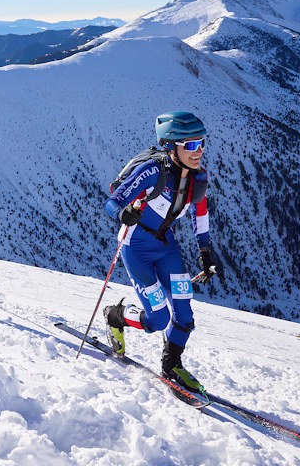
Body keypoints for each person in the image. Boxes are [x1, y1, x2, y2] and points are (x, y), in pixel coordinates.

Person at [101, 111, 225, 394]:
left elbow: (200, 214)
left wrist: (205, 253)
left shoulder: (198, 179)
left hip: (166, 246)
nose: (199, 151)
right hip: (136, 248)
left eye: (202, 143)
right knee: (158, 319)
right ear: (172, 146)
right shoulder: (152, 172)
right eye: (191, 145)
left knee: (184, 313)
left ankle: (172, 366)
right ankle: (115, 316)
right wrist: (123, 213)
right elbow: (112, 201)